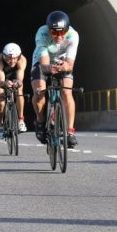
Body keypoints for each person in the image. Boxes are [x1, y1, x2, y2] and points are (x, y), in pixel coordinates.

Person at [31, 10, 80, 148]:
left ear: (67, 30)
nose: (59, 36)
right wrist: (47, 68)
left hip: (62, 61)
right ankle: (40, 122)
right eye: (54, 32)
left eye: (62, 32)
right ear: (49, 30)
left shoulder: (73, 35)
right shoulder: (42, 32)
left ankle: (70, 132)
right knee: (39, 91)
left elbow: (70, 63)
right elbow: (43, 58)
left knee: (67, 92)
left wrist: (64, 66)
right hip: (42, 61)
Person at [0, 42, 28, 138]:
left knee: (19, 92)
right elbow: (0, 79)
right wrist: (5, 83)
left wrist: (18, 83)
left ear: (19, 56)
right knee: (1, 101)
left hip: (14, 75)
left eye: (14, 58)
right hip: (1, 76)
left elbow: (20, 76)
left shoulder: (22, 59)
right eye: (9, 58)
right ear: (4, 56)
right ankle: (0, 124)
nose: (12, 61)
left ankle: (21, 120)